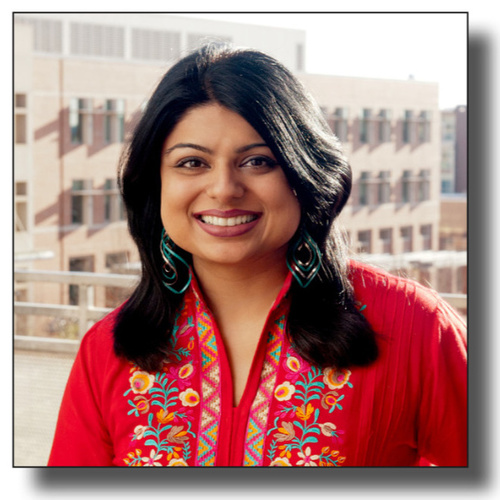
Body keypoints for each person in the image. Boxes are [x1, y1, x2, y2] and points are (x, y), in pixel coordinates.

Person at [48, 44, 467, 467]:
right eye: (192, 163)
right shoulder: (106, 351)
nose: (224, 189)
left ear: (304, 174)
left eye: (257, 161)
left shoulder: (417, 327)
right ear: (155, 185)